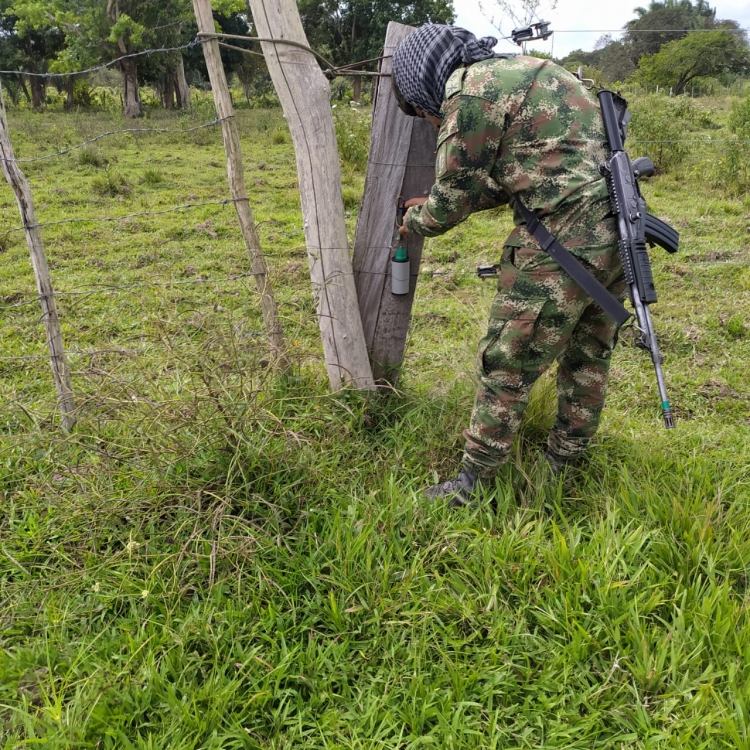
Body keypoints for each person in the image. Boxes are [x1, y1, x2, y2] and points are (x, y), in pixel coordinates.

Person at [392, 24, 626, 504]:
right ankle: (566, 461)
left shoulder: (468, 91)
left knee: (507, 361)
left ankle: (472, 486)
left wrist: (414, 219)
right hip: (618, 232)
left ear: (425, 81)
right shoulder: (530, 71)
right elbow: (528, 168)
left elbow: (453, 198)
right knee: (588, 354)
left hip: (561, 242)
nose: (430, 121)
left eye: (422, 113)